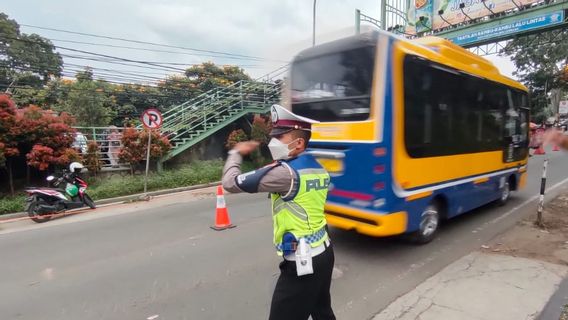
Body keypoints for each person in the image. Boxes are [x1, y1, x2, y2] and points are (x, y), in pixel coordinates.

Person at [222, 104, 335, 320]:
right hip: (324, 252)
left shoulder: (285, 173)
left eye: (280, 137)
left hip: (303, 261)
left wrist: (235, 153)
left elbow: (230, 183)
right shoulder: (317, 167)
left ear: (299, 143)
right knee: (322, 312)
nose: (273, 142)